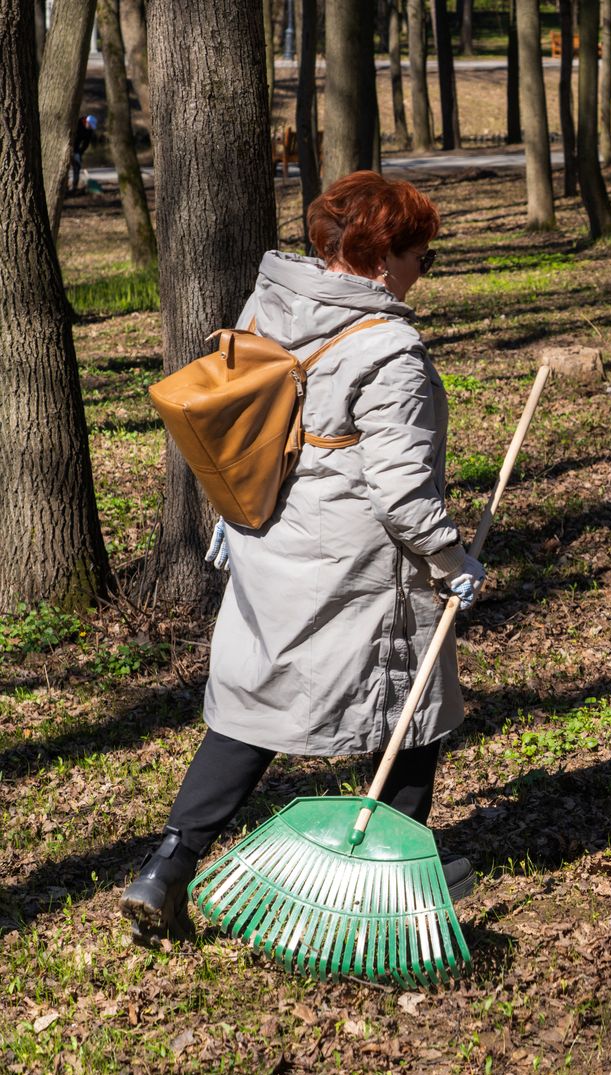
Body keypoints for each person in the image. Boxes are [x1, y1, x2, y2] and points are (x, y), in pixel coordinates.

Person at [122, 171, 486, 943]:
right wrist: (456, 565)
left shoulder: (272, 305)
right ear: (384, 259)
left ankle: (168, 865)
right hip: (356, 571)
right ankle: (386, 879)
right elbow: (403, 498)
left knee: (255, 707)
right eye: (423, 253)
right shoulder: (389, 351)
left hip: (266, 541)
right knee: (412, 707)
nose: (427, 268)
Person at [70, 115, 97, 194]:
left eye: (92, 127)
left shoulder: (89, 131)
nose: (90, 127)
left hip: (77, 149)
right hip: (69, 145)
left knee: (77, 166)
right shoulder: (77, 123)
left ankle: (74, 187)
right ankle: (64, 187)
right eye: (90, 125)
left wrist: (79, 153)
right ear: (87, 122)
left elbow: (86, 144)